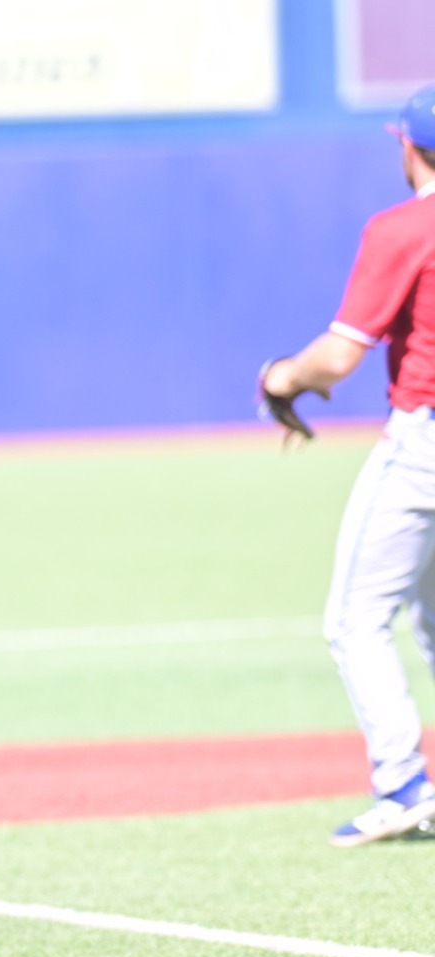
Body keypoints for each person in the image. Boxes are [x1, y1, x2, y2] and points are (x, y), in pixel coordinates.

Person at [259, 83, 435, 846]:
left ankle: (401, 784)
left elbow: (336, 359)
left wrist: (281, 379)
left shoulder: (403, 228)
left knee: (354, 619)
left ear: (409, 147)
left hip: (425, 445)